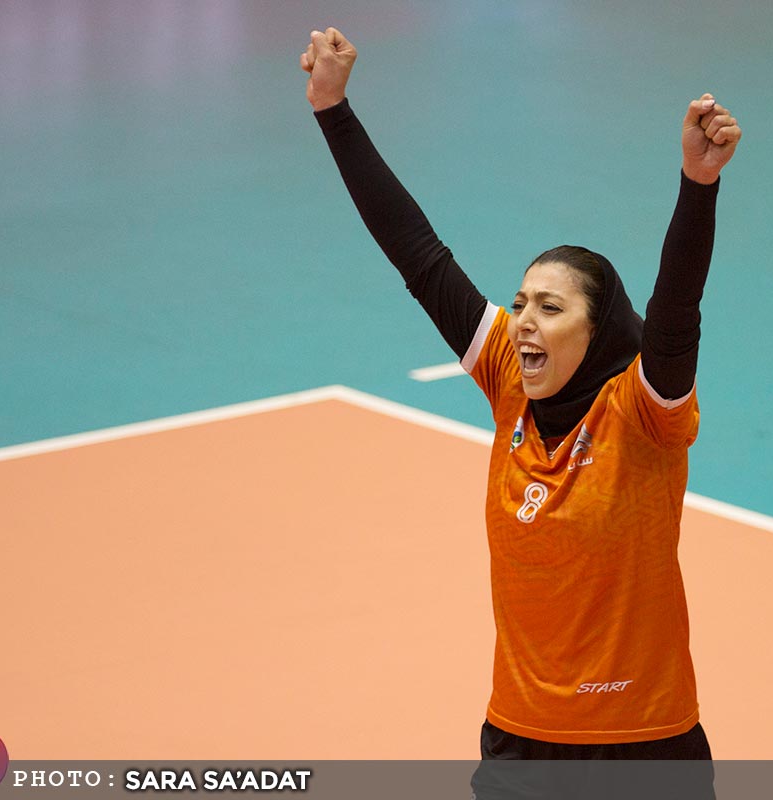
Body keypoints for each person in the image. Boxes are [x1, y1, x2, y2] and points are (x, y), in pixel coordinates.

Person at [302, 26, 740, 798]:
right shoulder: (510, 380)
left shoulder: (643, 414)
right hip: (521, 743)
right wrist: (332, 109)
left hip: (644, 745)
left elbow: (677, 316)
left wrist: (697, 184)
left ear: (598, 331)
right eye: (520, 302)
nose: (523, 322)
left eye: (550, 307)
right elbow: (418, 255)